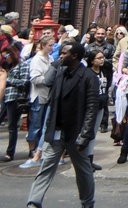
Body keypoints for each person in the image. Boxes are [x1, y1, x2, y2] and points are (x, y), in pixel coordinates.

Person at [25, 40, 100, 208]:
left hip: (76, 133)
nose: (60, 55)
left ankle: (88, 203)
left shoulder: (89, 77)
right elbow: (46, 81)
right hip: (56, 132)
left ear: (74, 56)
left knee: (83, 171)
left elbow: (91, 109)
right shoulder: (60, 72)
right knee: (45, 168)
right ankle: (33, 202)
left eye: (64, 53)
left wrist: (85, 135)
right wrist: (56, 64)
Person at [21, 36, 54, 169]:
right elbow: (34, 78)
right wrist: (47, 80)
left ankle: (41, 149)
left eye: (53, 45)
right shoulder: (37, 59)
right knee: (36, 124)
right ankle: (32, 149)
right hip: (38, 96)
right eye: (50, 45)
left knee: (45, 124)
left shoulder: (50, 59)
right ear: (43, 45)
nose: (52, 48)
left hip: (48, 96)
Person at [1, 45, 28, 162]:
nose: (5, 58)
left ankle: (10, 153)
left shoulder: (23, 65)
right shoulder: (9, 66)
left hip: (15, 98)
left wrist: (7, 79)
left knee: (12, 127)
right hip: (4, 97)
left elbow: (24, 82)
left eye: (6, 56)